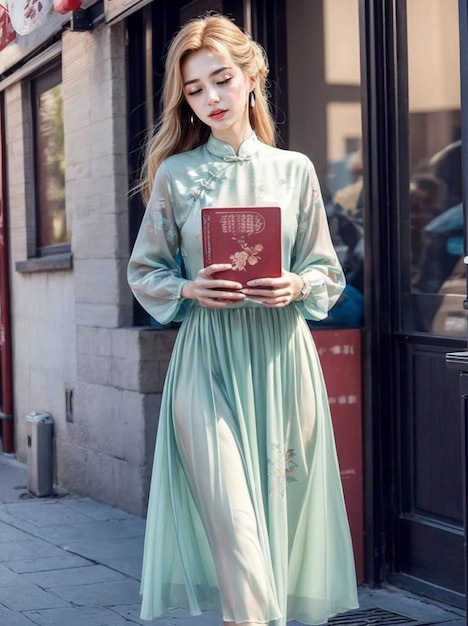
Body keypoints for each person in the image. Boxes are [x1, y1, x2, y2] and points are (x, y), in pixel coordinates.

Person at [127, 13, 358, 626]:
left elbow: (326, 271)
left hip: (282, 362)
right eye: (195, 89)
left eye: (221, 80)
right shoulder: (175, 177)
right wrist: (188, 286)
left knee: (271, 534)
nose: (210, 99)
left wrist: (297, 282)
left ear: (252, 76)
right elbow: (143, 271)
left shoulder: (295, 170)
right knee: (233, 529)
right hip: (206, 363)